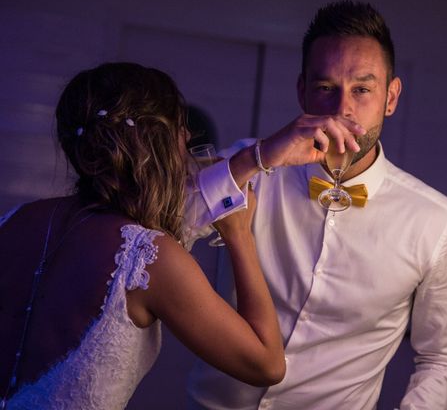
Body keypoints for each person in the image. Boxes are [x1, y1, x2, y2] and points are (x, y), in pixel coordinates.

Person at [0, 62, 362, 410]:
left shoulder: (15, 221)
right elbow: (267, 364)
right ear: (155, 144)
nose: (187, 138)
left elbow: (184, 212)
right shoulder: (148, 258)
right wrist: (240, 236)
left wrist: (259, 156)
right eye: (179, 127)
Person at [187, 0, 447, 409]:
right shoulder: (249, 165)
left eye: (362, 89)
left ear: (391, 97)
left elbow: (443, 357)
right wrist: (260, 157)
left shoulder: (437, 223)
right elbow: (166, 224)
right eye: (325, 89)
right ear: (302, 92)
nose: (342, 109)